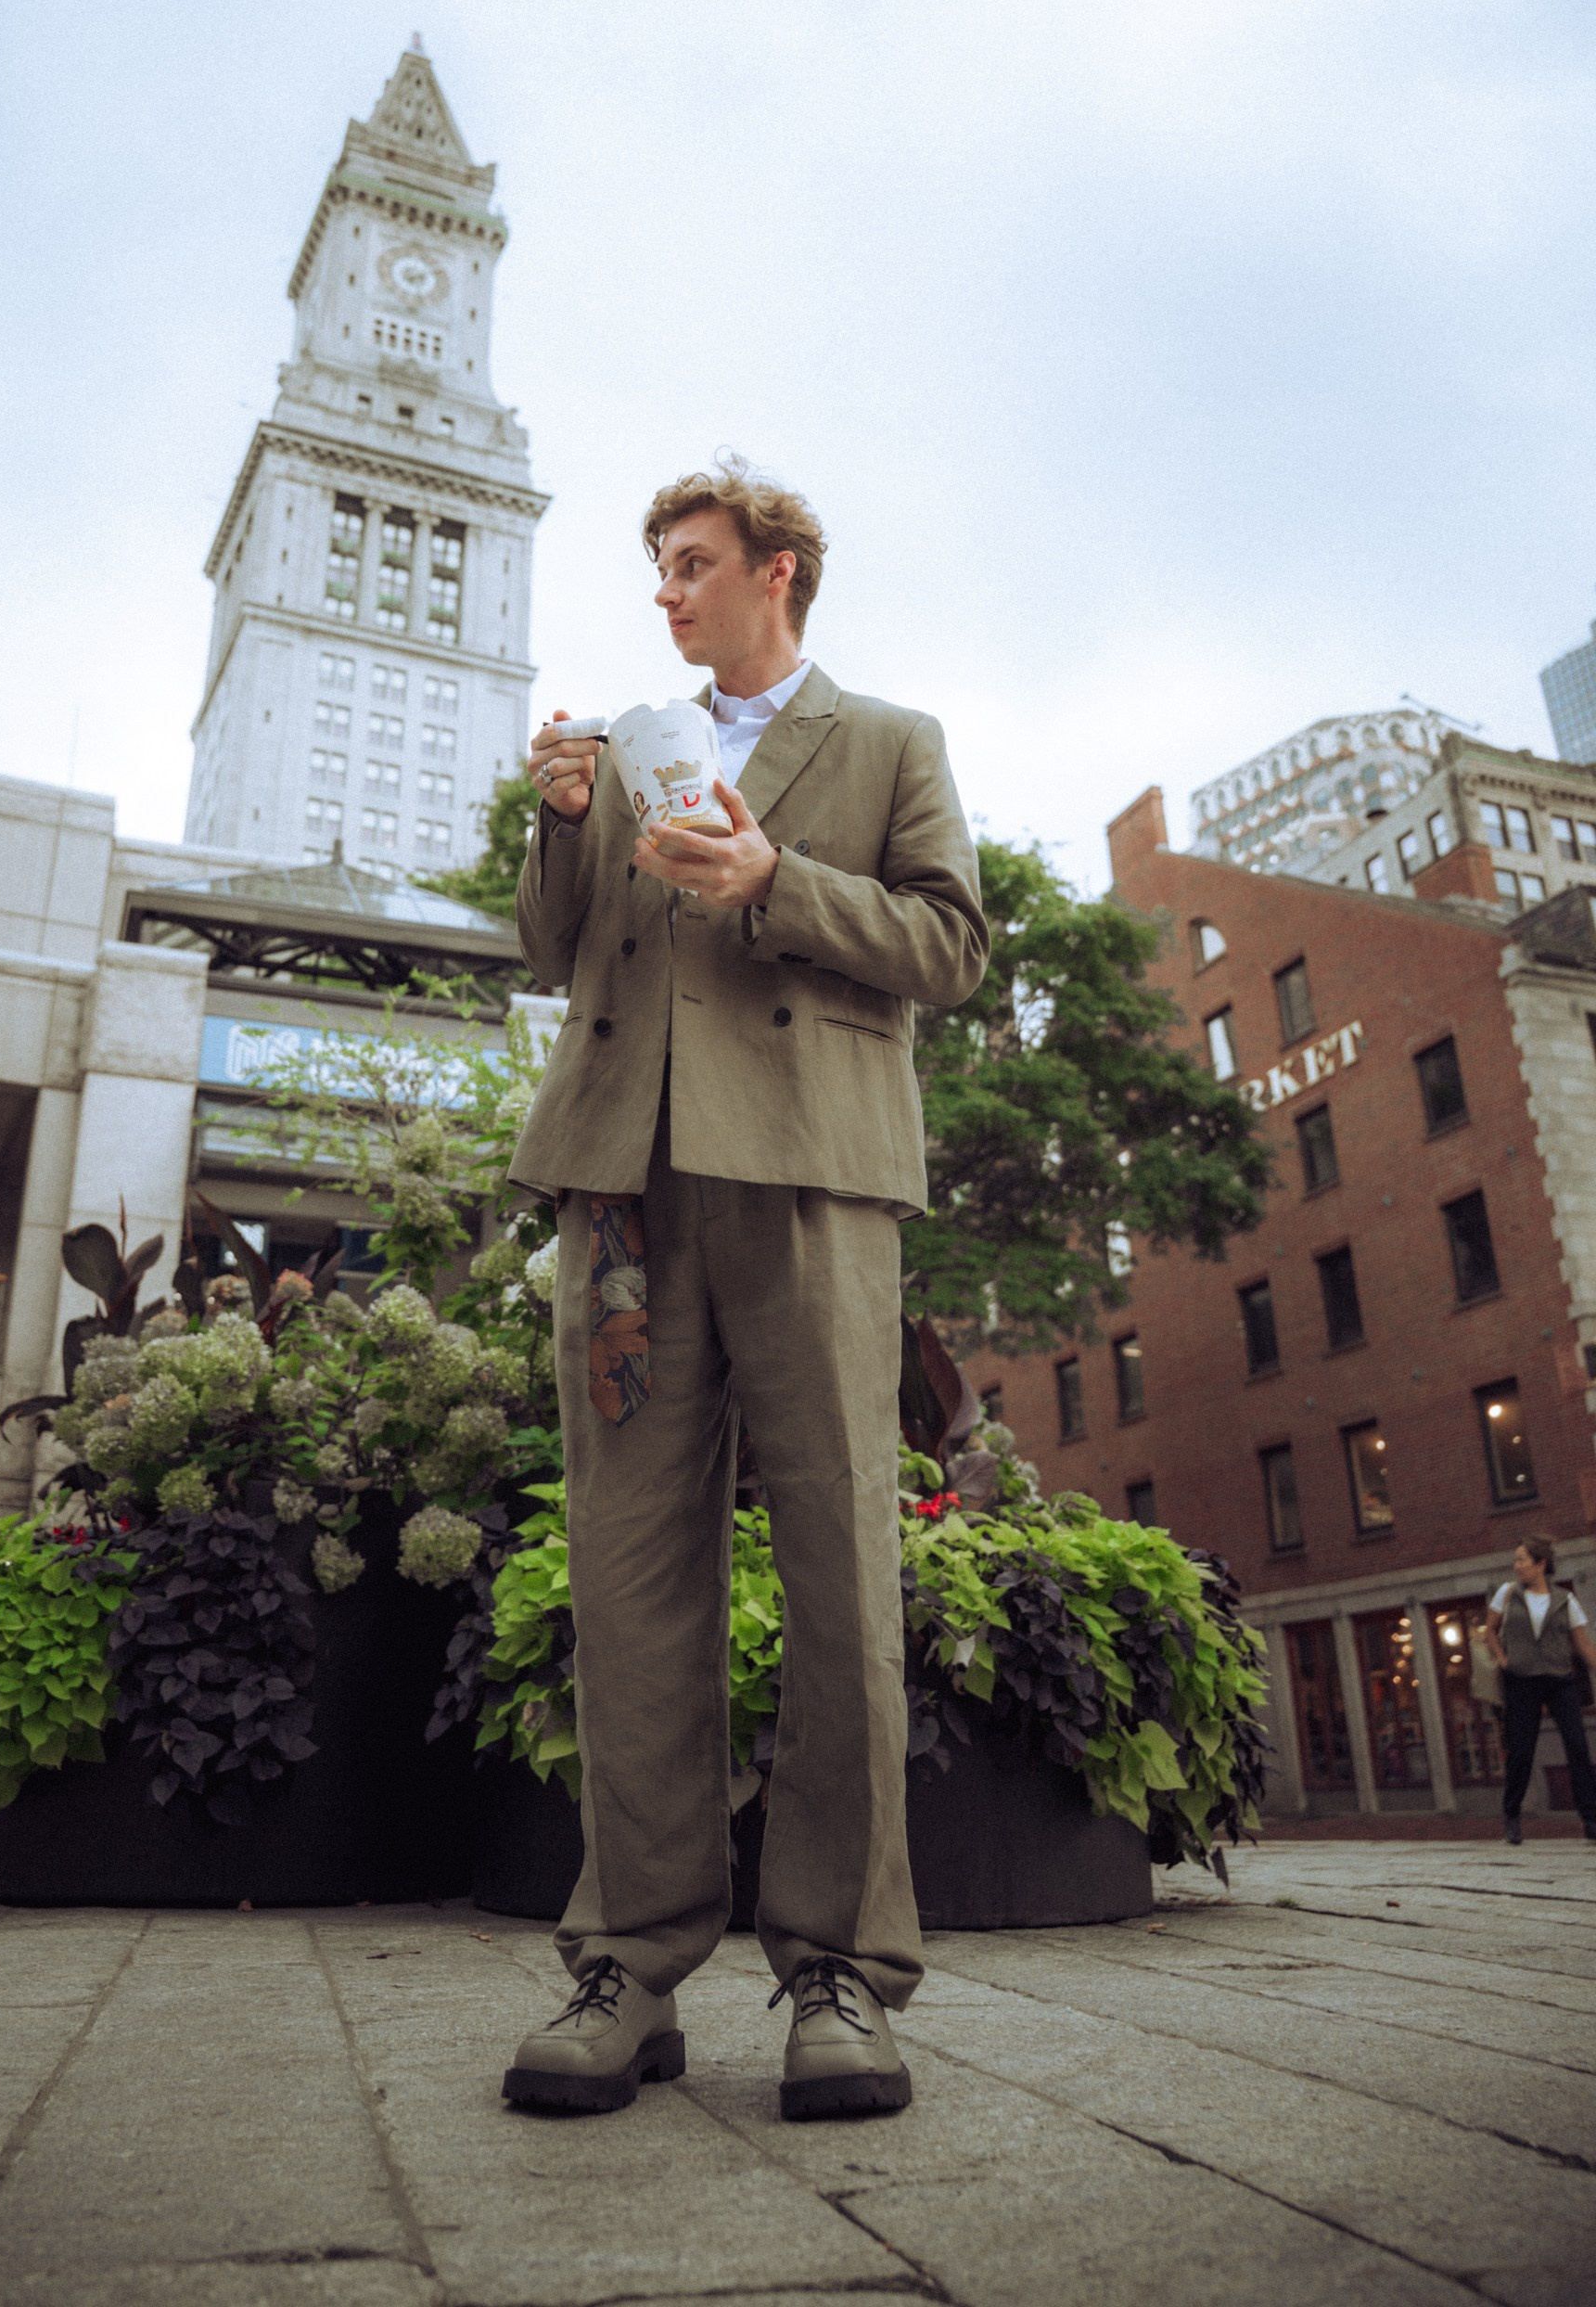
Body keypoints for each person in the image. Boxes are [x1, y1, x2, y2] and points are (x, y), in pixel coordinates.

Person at [502, 462, 988, 2121]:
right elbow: (551, 953)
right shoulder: (638, 740)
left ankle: (841, 1972)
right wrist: (563, 829)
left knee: (844, 1550)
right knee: (628, 1576)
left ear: (778, 573)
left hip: (808, 1177)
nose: (666, 591)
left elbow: (949, 948)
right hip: (625, 1191)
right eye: (656, 568)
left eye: (692, 563)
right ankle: (629, 1970)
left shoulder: (888, 742)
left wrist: (773, 882)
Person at [1483, 1536, 1596, 1844]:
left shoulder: (1565, 1600)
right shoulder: (1507, 1593)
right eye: (1516, 1560)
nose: (1516, 1566)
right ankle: (1512, 1815)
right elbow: (1490, 1629)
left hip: (1559, 1681)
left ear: (1540, 1564)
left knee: (1577, 1747)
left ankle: (1590, 1818)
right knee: (1521, 1751)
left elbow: (1583, 1644)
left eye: (1522, 1560)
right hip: (1521, 1682)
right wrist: (1502, 1658)